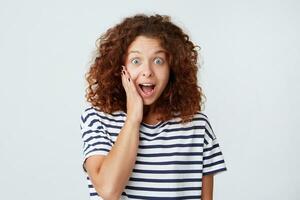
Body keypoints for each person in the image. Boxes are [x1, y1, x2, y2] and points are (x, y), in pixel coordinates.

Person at [80, 13, 227, 200]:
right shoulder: (97, 119)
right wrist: (133, 118)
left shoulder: (197, 126)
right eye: (136, 61)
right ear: (120, 67)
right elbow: (108, 190)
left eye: (158, 61)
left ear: (172, 68)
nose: (147, 72)